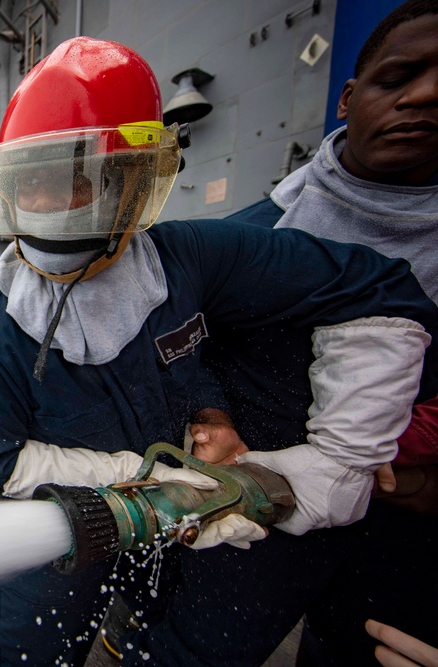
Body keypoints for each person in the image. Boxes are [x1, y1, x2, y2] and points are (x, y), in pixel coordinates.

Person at [0, 36, 438, 666]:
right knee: (18, 654)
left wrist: (335, 459)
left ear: (132, 182)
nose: (43, 207)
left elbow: (381, 289)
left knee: (162, 633)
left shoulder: (191, 261)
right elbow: (2, 470)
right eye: (30, 184)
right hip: (64, 529)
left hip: (180, 540)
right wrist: (142, 485)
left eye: (73, 180)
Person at [186, 3, 438, 664]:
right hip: (250, 518)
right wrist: (210, 417)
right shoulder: (247, 239)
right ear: (348, 99)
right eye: (400, 77)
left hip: (401, 544)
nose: (428, 94)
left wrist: (408, 455)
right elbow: (184, 352)